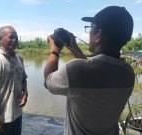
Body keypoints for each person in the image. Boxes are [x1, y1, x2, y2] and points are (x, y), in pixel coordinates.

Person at [44, 6, 135, 135]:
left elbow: (48, 81)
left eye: (91, 28)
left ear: (98, 34)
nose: (89, 33)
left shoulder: (77, 70)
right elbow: (95, 70)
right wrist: (74, 47)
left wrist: (54, 50)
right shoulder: (128, 73)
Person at [0, 25, 28, 135]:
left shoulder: (19, 58)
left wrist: (25, 94)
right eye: (11, 37)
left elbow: (23, 80)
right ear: (0, 40)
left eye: (16, 37)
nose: (14, 40)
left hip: (17, 114)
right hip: (1, 117)